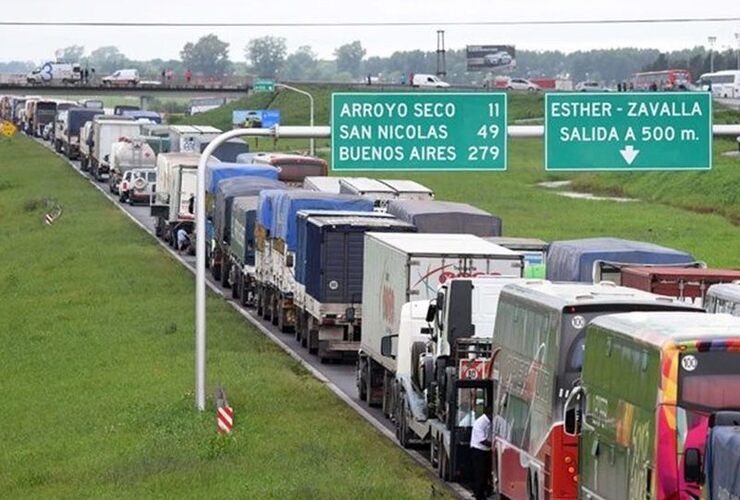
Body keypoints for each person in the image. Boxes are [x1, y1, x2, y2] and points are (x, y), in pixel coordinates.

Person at [470, 405, 493, 500]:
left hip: (487, 451)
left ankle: (485, 491)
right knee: (480, 473)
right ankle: (479, 494)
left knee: (487, 473)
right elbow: (482, 440)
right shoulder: (480, 423)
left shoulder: (491, 421)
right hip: (479, 450)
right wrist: (494, 444)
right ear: (489, 414)